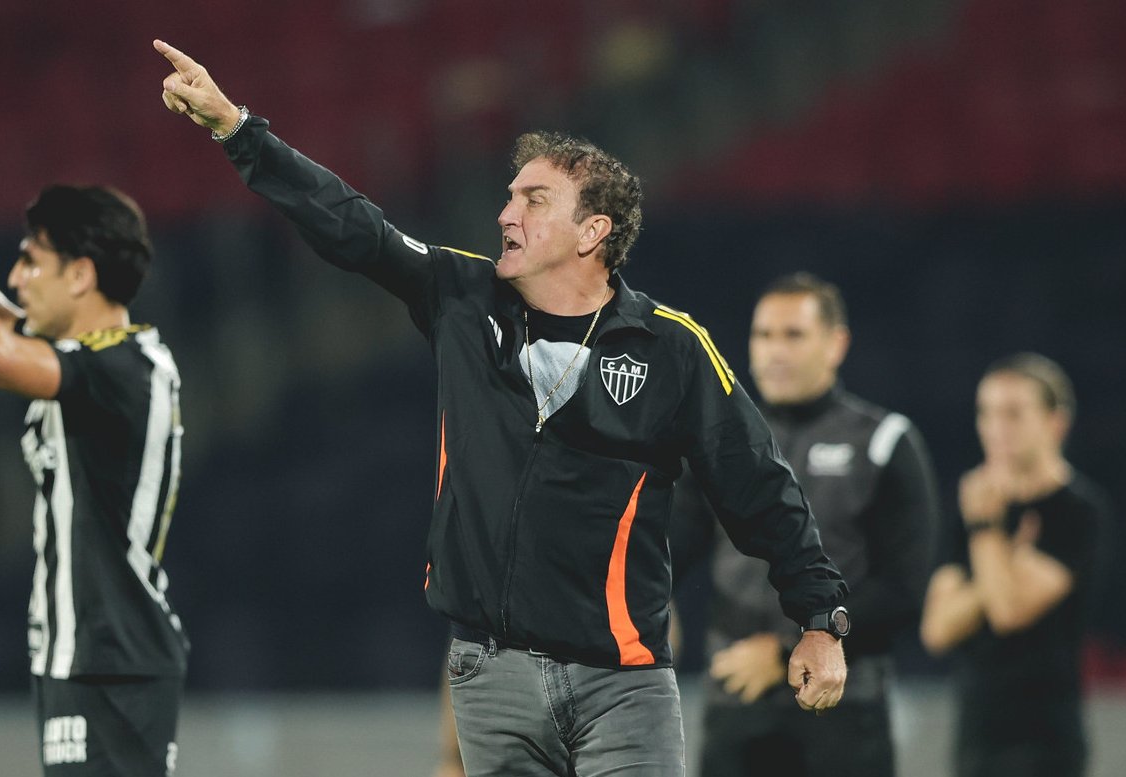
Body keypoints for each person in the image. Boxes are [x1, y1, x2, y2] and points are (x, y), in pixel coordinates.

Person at [154, 39, 848, 776]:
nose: (504, 213)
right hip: (490, 678)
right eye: (511, 195)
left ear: (592, 232)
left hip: (623, 681)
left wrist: (817, 618)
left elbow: (757, 484)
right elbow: (353, 227)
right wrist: (236, 128)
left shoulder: (670, 348)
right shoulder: (460, 297)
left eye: (532, 200)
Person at [0, 152, 188, 776]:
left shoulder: (124, 370)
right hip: (86, 655)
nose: (16, 275)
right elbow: (2, 320)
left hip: (112, 659)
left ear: (81, 275)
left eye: (32, 259)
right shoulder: (101, 358)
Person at [688, 272, 940, 777]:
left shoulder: (884, 442)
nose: (774, 351)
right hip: (736, 702)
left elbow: (903, 590)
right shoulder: (720, 442)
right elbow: (671, 544)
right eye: (763, 335)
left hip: (841, 709)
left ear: (836, 343)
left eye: (793, 335)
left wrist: (785, 648)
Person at [920, 353, 1107, 777]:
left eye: (1014, 414)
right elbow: (937, 629)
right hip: (975, 739)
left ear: (1055, 422)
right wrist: (1007, 562)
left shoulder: (1077, 512)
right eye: (986, 413)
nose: (996, 429)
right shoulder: (968, 505)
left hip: (1046, 745)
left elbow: (1008, 613)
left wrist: (986, 529)